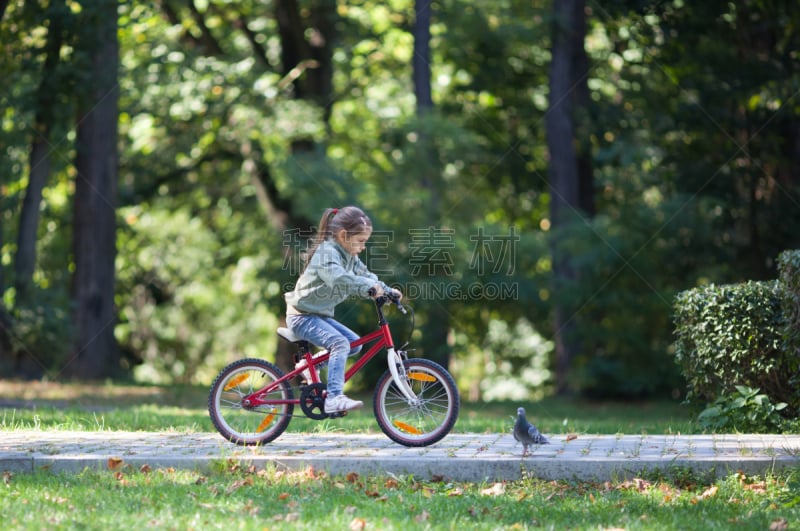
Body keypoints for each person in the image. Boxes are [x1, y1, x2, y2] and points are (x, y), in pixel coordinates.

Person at [285, 206, 402, 414]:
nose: (363, 247)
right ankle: (334, 397)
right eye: (360, 241)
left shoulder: (349, 255)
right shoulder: (327, 253)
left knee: (354, 344)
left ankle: (308, 365)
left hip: (317, 315)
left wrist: (386, 290)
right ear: (343, 235)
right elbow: (338, 278)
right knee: (340, 343)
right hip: (301, 317)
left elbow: (366, 275)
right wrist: (367, 287)